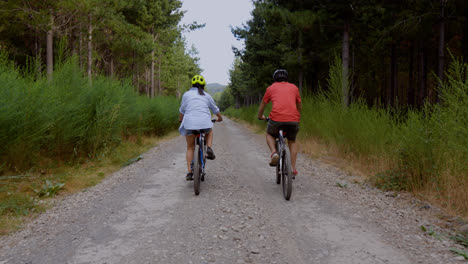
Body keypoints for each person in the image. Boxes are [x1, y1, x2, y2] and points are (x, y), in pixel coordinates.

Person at [257, 69, 301, 177]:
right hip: (293, 119)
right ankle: (293, 168)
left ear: (274, 79)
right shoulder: (294, 87)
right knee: (292, 141)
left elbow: (263, 104)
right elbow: (299, 105)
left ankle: (274, 152)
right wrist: (296, 115)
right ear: (287, 78)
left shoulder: (271, 88)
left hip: (276, 119)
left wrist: (260, 116)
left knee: (269, 134)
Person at [179, 75, 223, 181]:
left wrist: (181, 121)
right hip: (204, 124)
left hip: (189, 124)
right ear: (203, 86)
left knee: (190, 147)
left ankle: (190, 172)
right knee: (210, 131)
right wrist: (219, 118)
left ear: (192, 85)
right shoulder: (207, 95)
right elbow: (215, 110)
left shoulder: (186, 95)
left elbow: (182, 111)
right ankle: (208, 148)